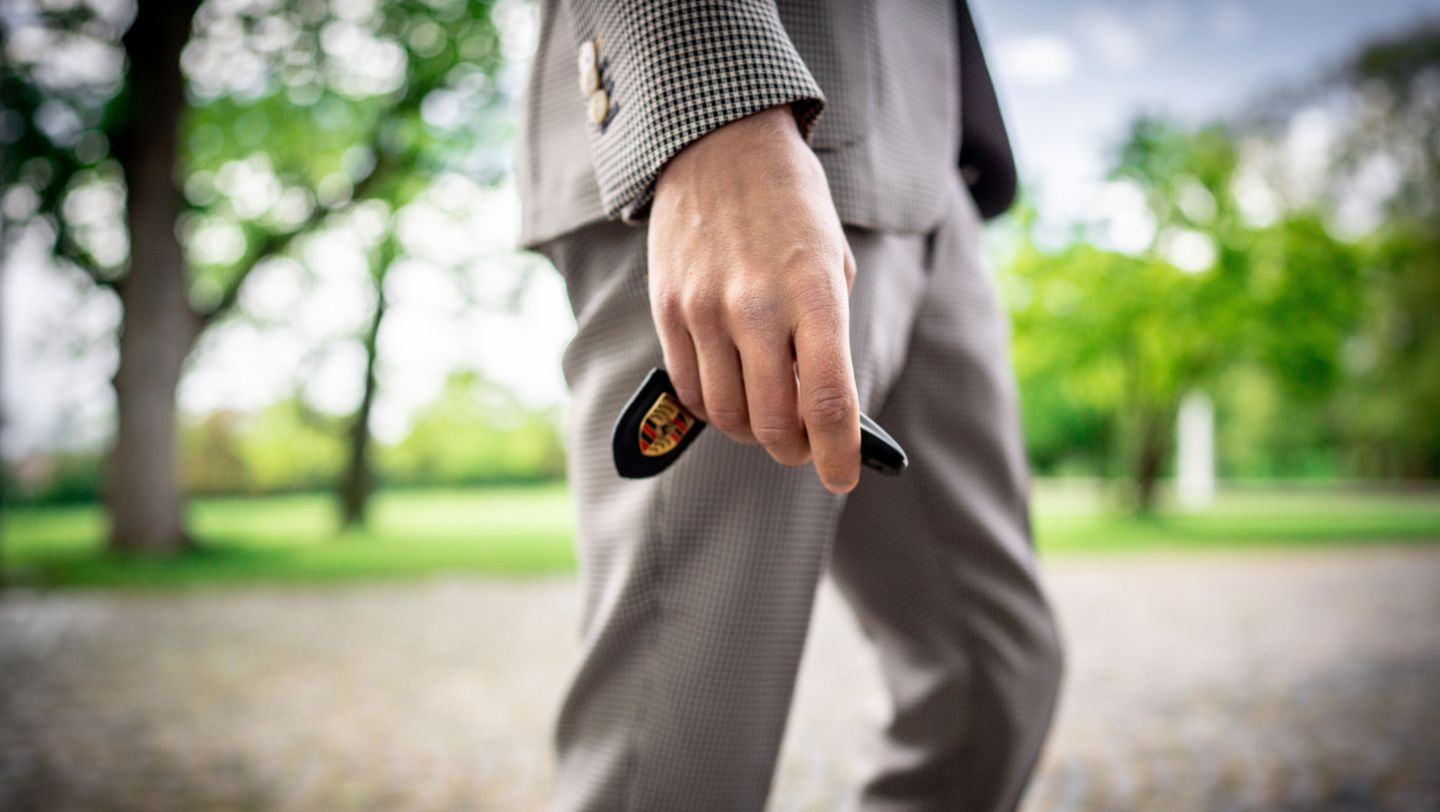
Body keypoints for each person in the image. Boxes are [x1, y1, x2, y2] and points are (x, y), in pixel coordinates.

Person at [516, 1, 1063, 809]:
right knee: (680, 742)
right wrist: (711, 104)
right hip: (742, 136)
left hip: (931, 163)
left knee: (994, 681)